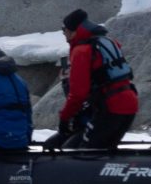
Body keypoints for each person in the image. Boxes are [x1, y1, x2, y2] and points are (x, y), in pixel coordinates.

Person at [51, 9, 139, 149]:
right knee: (105, 151)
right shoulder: (107, 42)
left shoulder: (82, 50)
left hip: (111, 108)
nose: (64, 36)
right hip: (129, 103)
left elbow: (78, 94)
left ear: (74, 30)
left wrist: (64, 118)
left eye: (65, 31)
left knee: (82, 155)